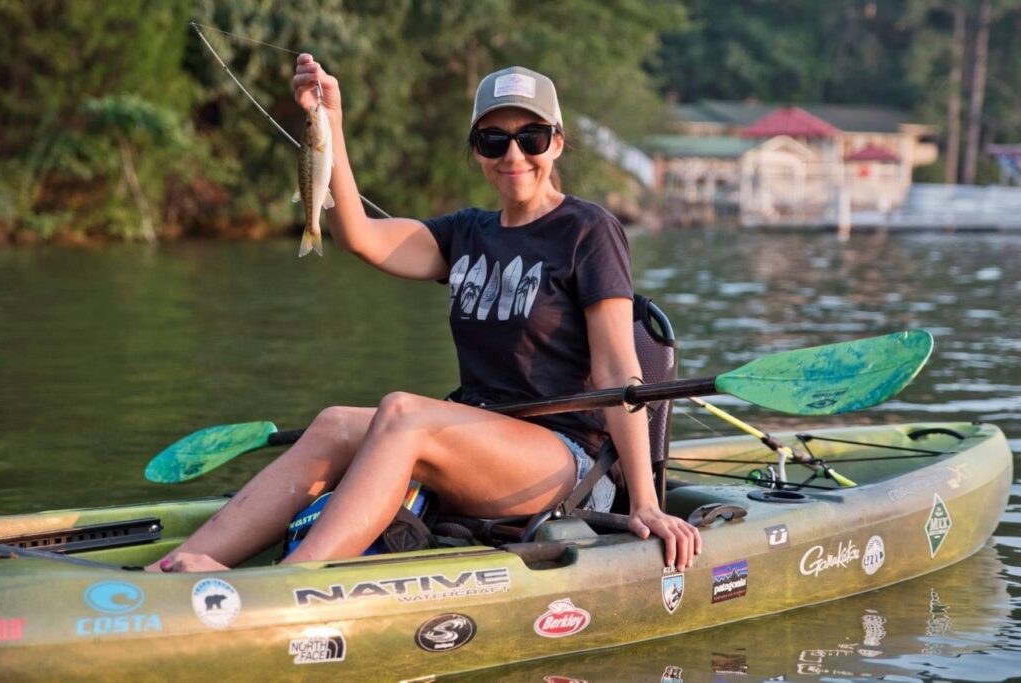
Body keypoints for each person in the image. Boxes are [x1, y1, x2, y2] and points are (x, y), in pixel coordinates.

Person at [148, 58, 701, 573]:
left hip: (563, 460)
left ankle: (292, 582)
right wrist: (330, 123)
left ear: (556, 142)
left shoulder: (589, 230)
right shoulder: (466, 232)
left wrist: (646, 504)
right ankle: (172, 568)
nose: (514, 156)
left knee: (405, 412)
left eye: (530, 137)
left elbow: (616, 370)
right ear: (477, 149)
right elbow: (359, 236)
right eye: (494, 140)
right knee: (335, 423)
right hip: (477, 438)